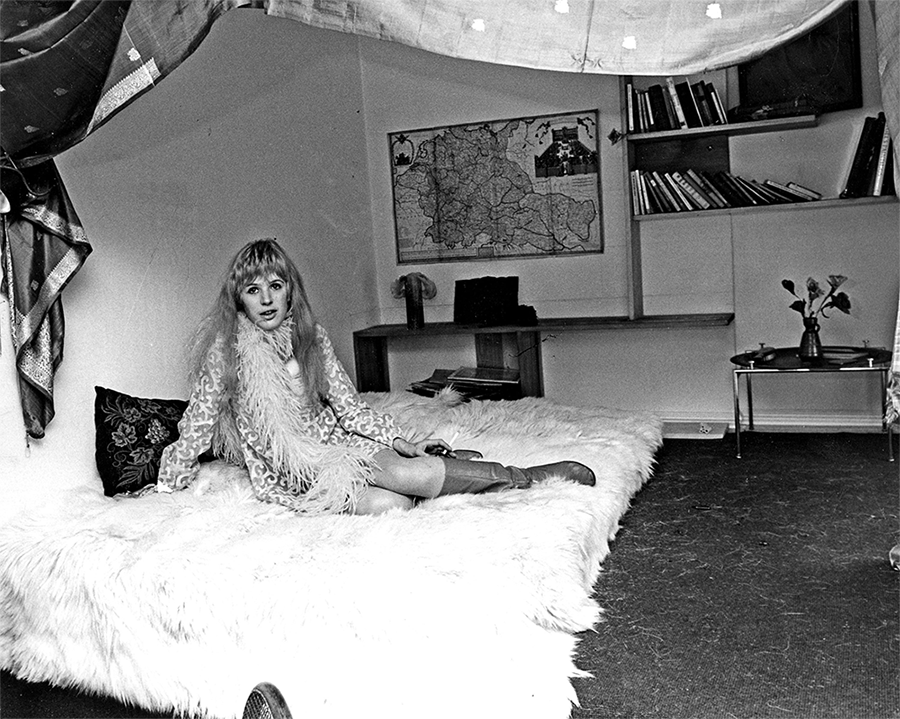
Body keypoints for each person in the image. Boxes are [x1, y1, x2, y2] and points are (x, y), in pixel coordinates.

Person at [157, 238, 595, 515]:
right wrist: (166, 485)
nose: (267, 299)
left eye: (276, 285)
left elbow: (349, 408)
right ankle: (448, 472)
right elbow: (198, 423)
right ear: (239, 300)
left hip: (341, 446)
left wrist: (403, 443)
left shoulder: (311, 337)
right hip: (297, 471)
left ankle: (527, 476)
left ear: (291, 290)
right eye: (253, 290)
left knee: (407, 475)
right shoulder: (225, 353)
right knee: (393, 505)